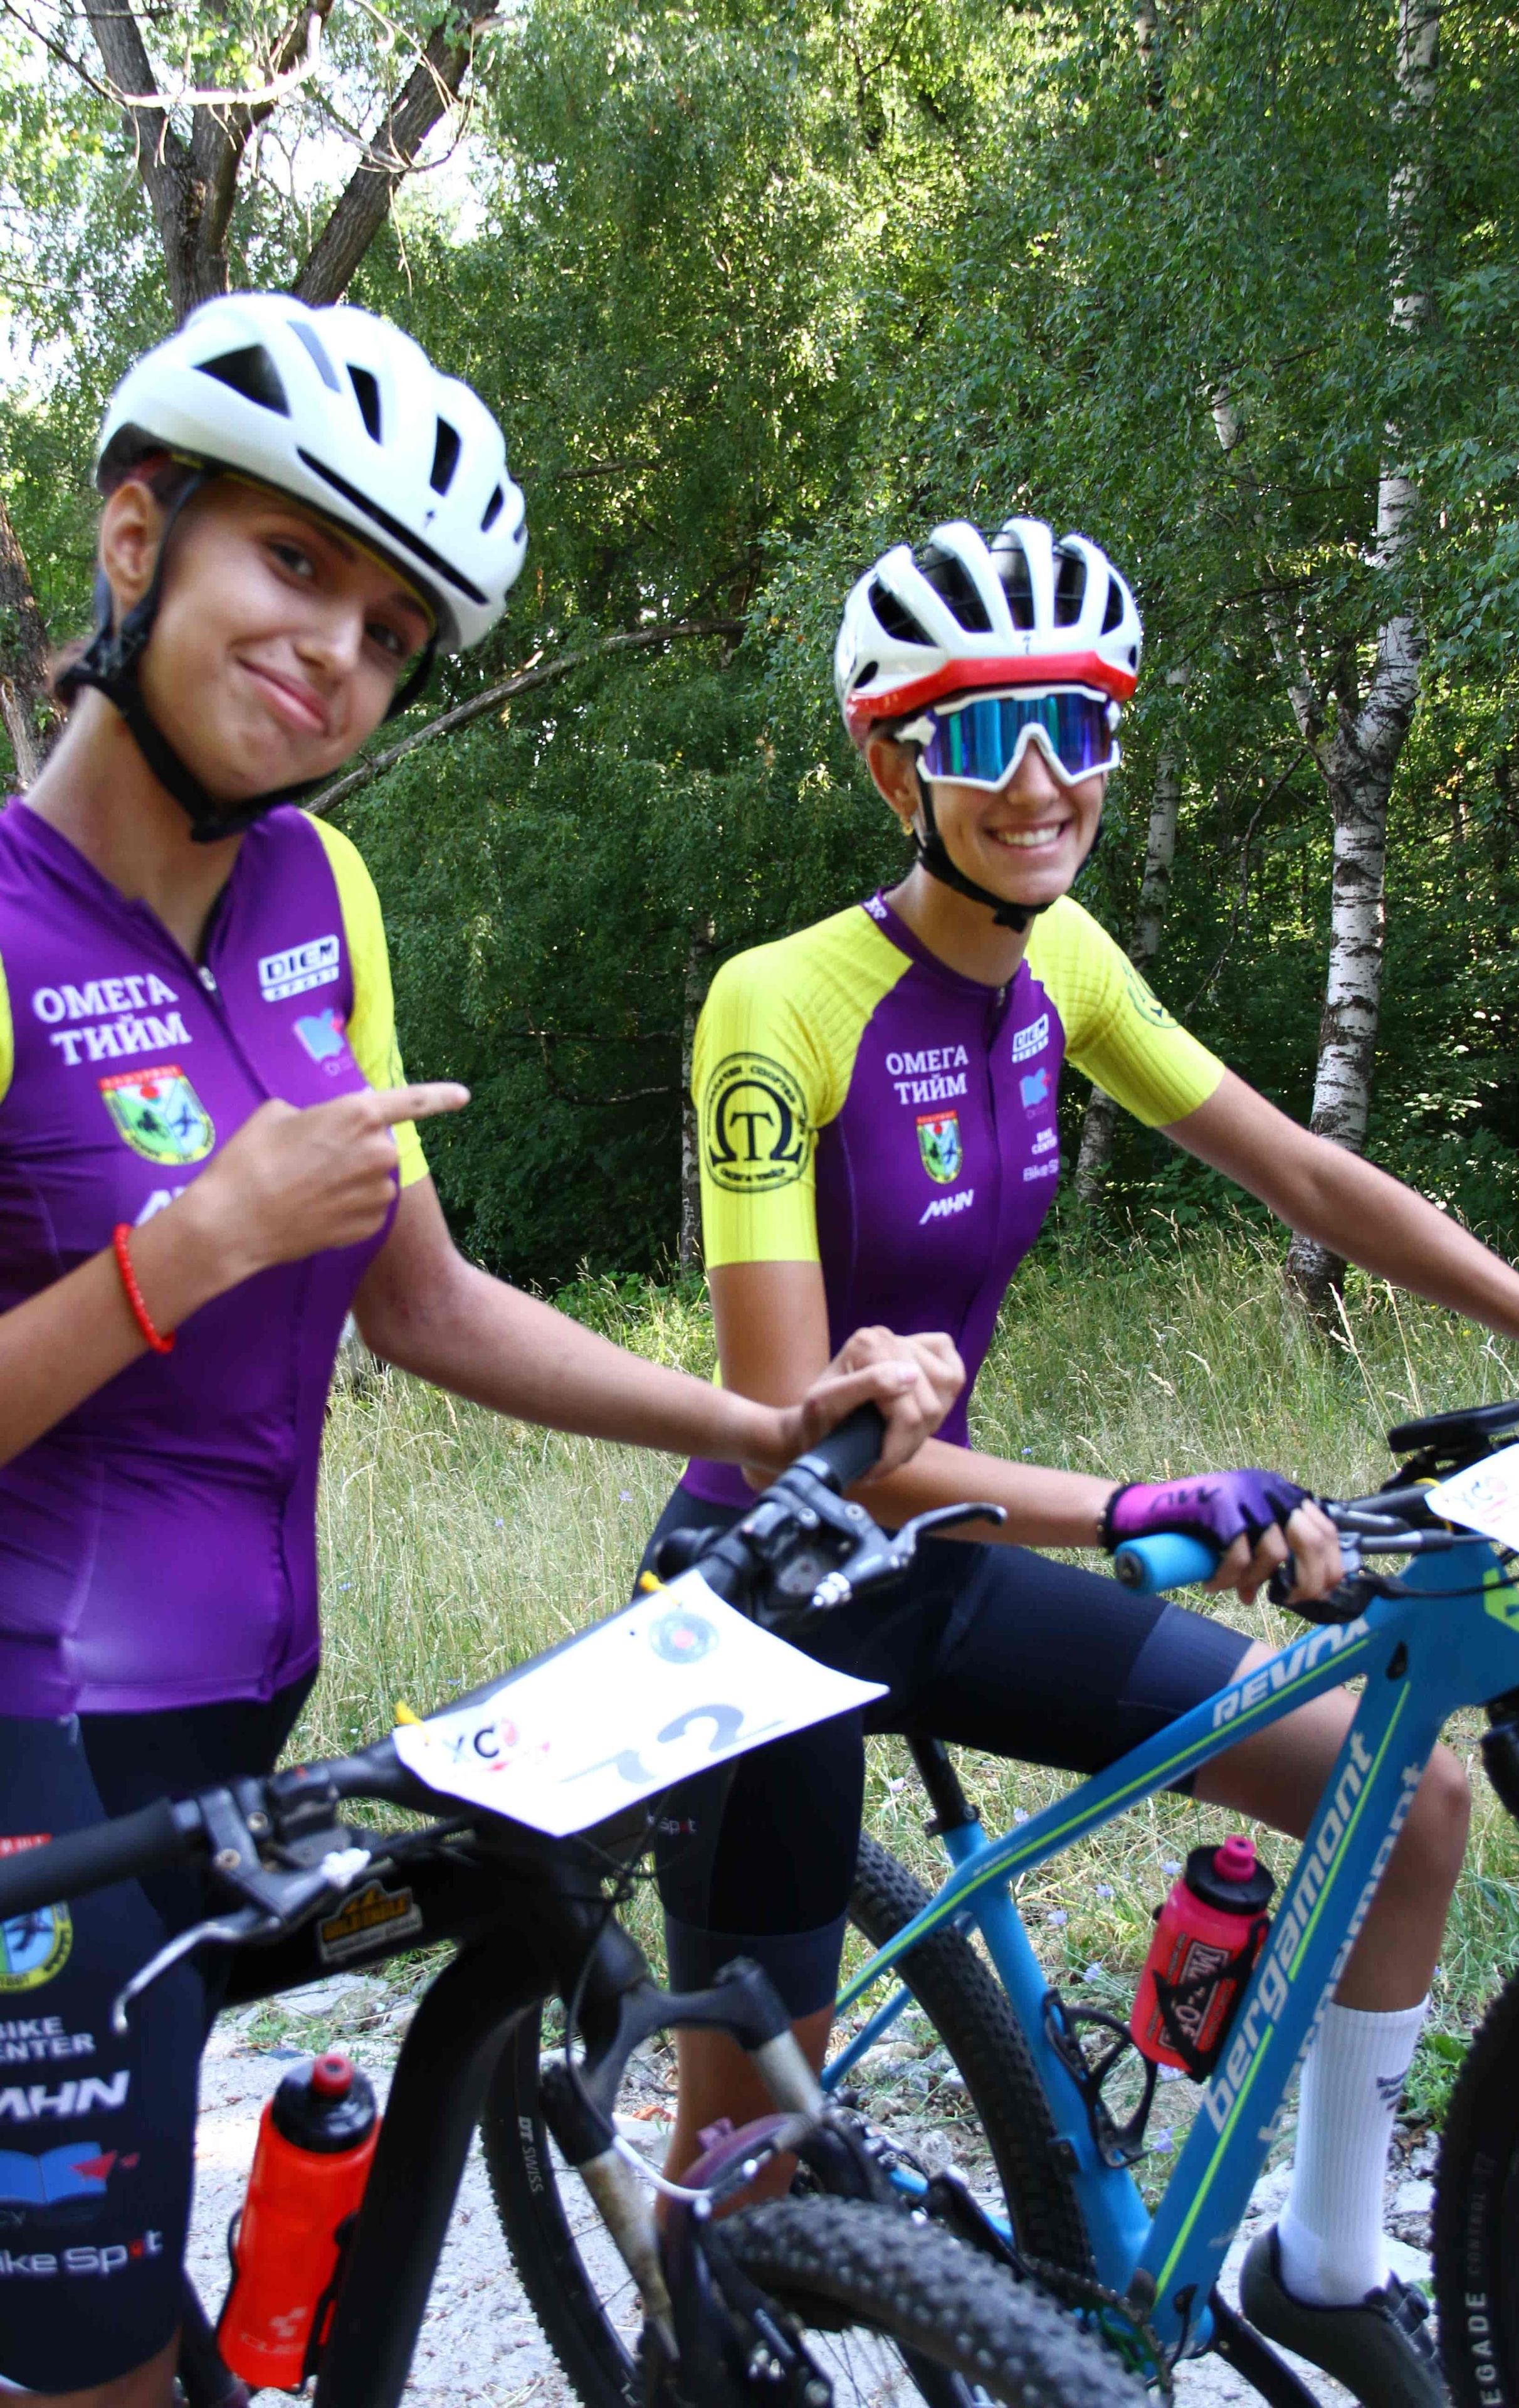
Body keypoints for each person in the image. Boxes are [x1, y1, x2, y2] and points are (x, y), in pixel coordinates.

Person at [0, 293, 962, 2408]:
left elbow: (420, 1301)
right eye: (298, 563)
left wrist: (754, 1416)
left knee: (146, 2263)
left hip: (238, 1697)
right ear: (138, 533)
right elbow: (200, 1270)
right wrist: (189, 1252)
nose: (337, 650)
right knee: (89, 2361)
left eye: (393, 630)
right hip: (21, 1743)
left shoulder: (316, 891)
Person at [644, 515, 1519, 2407]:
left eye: (1075, 722)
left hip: (941, 1566)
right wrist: (1141, 1507)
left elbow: (1307, 1173)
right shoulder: (782, 1004)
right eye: (982, 726)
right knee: (742, 2200)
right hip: (761, 1599)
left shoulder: (1061, 963)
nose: (1037, 776)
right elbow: (793, 1430)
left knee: (1401, 1804)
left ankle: (1324, 2272)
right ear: (890, 761)